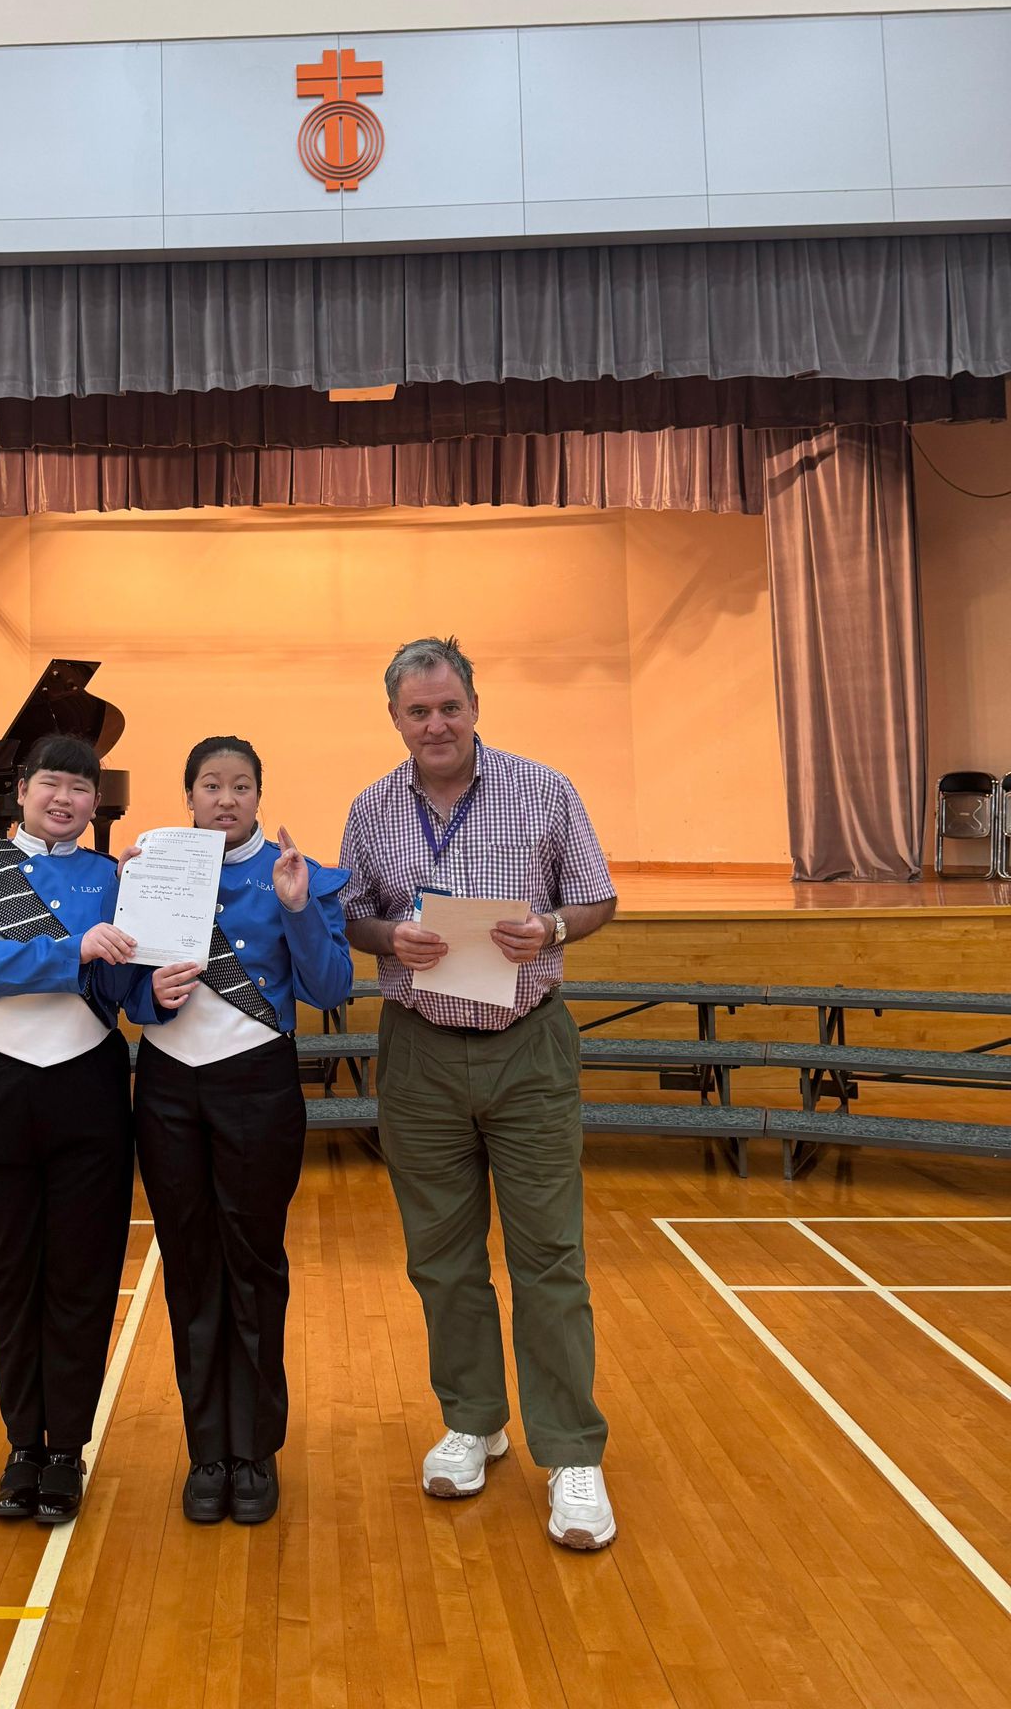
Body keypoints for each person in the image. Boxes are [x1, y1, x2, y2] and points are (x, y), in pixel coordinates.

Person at [339, 637, 620, 1549]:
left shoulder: (545, 789)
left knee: (550, 1257)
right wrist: (390, 938)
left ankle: (570, 1450)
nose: (436, 724)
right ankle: (474, 1421)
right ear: (395, 718)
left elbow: (598, 899)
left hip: (528, 1048)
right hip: (419, 1053)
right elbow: (353, 916)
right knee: (442, 1257)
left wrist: (551, 929)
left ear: (474, 705)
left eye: (449, 706)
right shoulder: (371, 808)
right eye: (418, 711)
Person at [0, 734, 188, 1527]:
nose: (64, 799)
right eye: (51, 784)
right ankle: (22, 1445)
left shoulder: (112, 878)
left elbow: (126, 986)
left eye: (80, 788)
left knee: (83, 1272)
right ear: (21, 791)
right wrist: (73, 948)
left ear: (95, 802)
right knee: (10, 1272)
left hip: (87, 1085)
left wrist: (155, 988)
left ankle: (66, 1446)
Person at [122, 737, 354, 1527]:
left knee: (254, 1267)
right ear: (188, 795)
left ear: (260, 795)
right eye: (211, 785)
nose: (226, 799)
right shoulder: (153, 870)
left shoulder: (296, 875)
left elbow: (330, 989)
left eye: (241, 786)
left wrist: (297, 908)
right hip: (166, 1089)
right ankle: (207, 1452)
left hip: (257, 1085)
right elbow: (125, 993)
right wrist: (150, 992)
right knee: (190, 1267)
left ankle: (254, 1450)